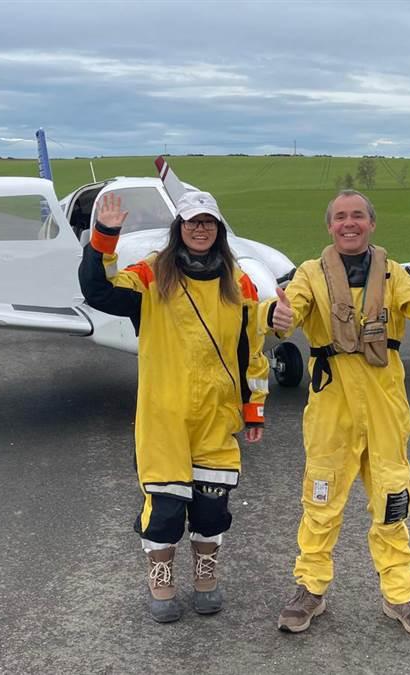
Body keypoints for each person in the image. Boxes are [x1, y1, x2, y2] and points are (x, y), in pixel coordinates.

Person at [267, 189, 410, 636]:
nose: (349, 223)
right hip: (332, 408)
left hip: (385, 407)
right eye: (341, 216)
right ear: (329, 226)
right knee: (320, 502)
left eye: (358, 216)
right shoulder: (309, 274)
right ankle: (311, 588)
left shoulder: (395, 274)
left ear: (371, 223)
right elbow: (290, 308)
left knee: (392, 502)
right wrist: (279, 316)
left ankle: (399, 595)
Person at [78, 189, 269, 623]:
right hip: (163, 416)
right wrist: (104, 237)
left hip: (216, 416)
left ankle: (205, 577)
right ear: (179, 228)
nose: (199, 229)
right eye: (191, 222)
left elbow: (250, 351)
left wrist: (253, 407)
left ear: (218, 230)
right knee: (164, 506)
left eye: (207, 222)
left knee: (211, 505)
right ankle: (161, 579)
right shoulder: (150, 274)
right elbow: (99, 291)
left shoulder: (238, 283)